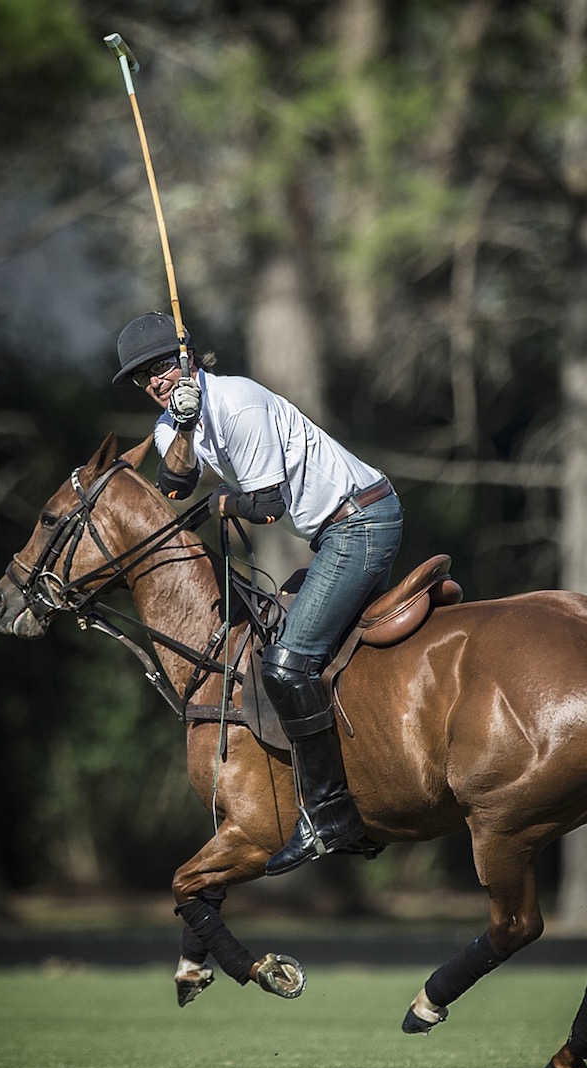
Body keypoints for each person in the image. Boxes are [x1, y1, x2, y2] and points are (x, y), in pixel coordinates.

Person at [113, 312, 404, 875]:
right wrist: (187, 427)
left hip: (362, 521)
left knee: (288, 665)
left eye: (160, 366)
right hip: (333, 532)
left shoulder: (241, 403)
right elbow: (173, 485)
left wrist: (223, 502)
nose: (154, 381)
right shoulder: (174, 424)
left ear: (187, 356)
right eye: (142, 377)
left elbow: (266, 504)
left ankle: (329, 816)